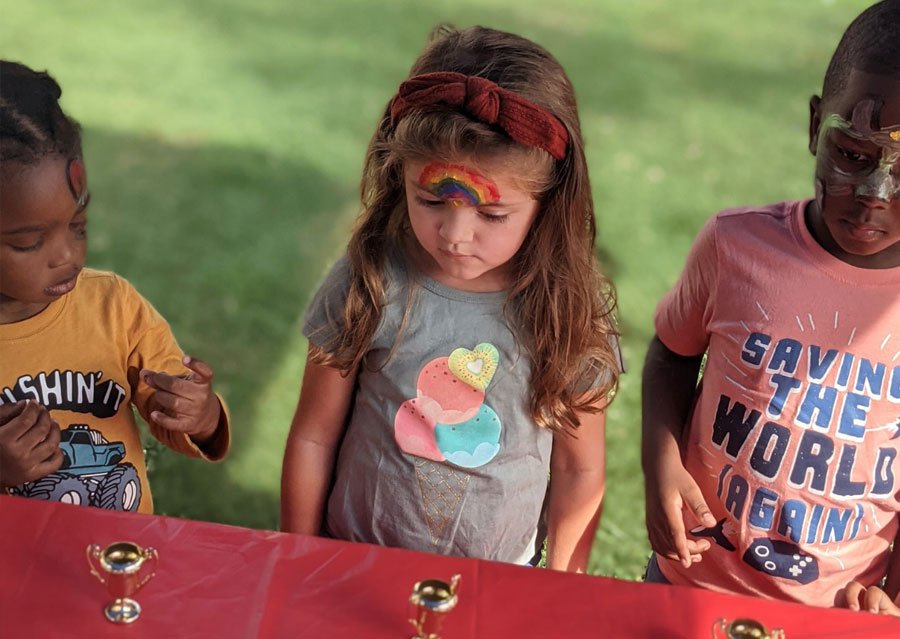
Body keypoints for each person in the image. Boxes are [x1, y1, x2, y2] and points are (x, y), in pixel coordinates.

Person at [280, 25, 621, 572]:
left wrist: (562, 589)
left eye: (492, 214)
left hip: (500, 580)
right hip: (353, 561)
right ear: (399, 174)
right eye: (431, 200)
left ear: (548, 201)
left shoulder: (567, 311)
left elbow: (580, 472)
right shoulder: (370, 279)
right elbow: (314, 438)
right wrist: (297, 556)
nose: (456, 235)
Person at [641, 0, 900, 609]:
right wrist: (661, 462)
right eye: (853, 155)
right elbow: (673, 354)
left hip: (839, 610)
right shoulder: (735, 247)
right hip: (693, 580)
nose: (875, 194)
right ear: (815, 126)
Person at [0, 60, 230, 513]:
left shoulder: (114, 307)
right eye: (29, 242)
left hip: (116, 548)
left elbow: (170, 410)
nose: (67, 255)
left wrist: (200, 415)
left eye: (78, 226)